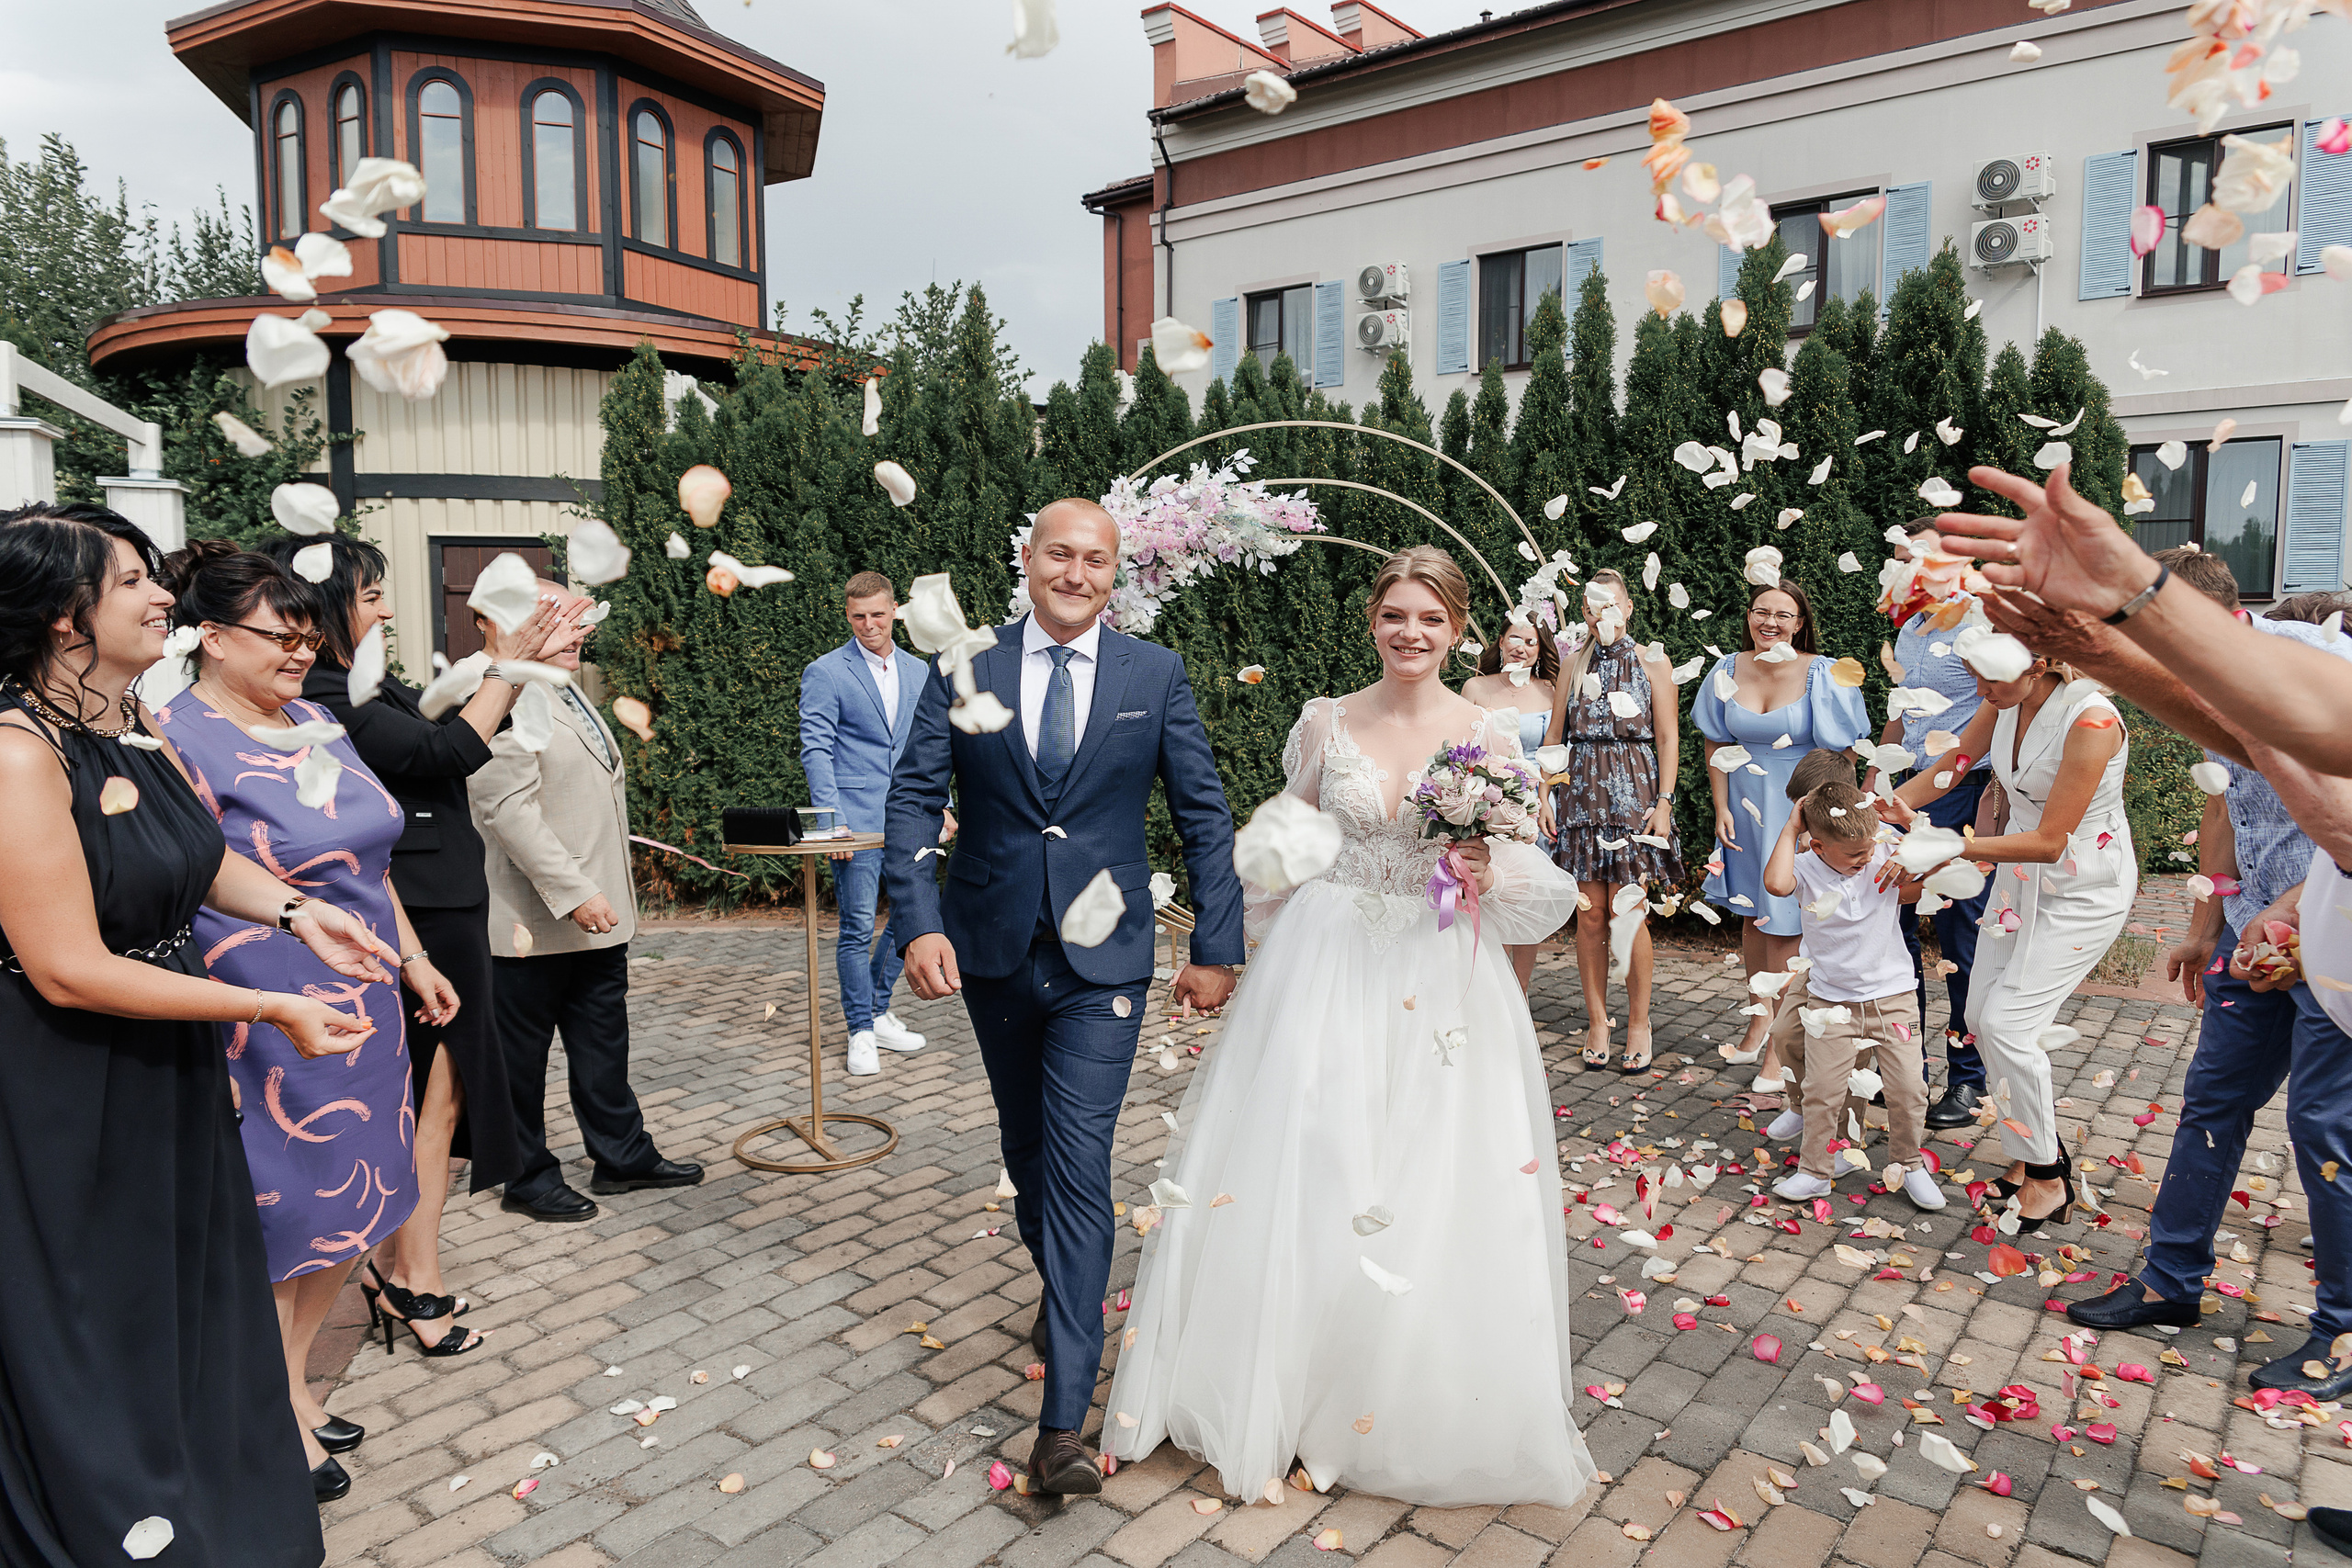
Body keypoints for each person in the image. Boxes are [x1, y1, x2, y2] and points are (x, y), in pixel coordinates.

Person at [1105, 546, 1595, 1507]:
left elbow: (1524, 864)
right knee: (1314, 1160)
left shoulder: (1489, 733)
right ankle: (1290, 1387)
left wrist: (1486, 869)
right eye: (1395, 615)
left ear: (1456, 629)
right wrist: (1218, 939)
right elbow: (1281, 844)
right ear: (1372, 620)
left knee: (1426, 1172)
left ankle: (1389, 1399)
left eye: (1431, 618)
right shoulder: (1326, 721)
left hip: (1437, 967)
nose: (1411, 633)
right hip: (1324, 961)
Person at [0, 502, 396, 1562]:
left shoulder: (131, 722)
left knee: (190, 1303)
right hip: (69, 1081)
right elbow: (67, 966)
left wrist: (300, 913)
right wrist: (265, 1005)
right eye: (131, 580)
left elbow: (200, 858)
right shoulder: (16, 755)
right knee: (103, 1320)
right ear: (64, 615)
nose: (160, 595)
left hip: (167, 1060)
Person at [885, 499, 1248, 1496]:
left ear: (1114, 572)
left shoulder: (1152, 674)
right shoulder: (965, 665)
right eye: (1059, 554)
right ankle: (1067, 1291)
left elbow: (1203, 814)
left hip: (1106, 961)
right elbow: (913, 797)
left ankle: (1062, 1431)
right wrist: (917, 922)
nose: (1076, 573)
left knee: (1080, 1162)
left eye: (1095, 559)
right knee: (1028, 1154)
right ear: (1028, 558)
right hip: (993, 948)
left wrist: (1217, 947)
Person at [152, 543, 474, 1491]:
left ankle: (288, 1385)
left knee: (355, 1198)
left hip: (363, 993)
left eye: (307, 637)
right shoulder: (173, 737)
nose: (301, 653)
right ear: (212, 638)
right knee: (283, 1212)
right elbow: (189, 878)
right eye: (280, 637)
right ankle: (262, 1409)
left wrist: (412, 958)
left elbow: (368, 863)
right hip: (263, 1006)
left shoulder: (316, 721)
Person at [267, 536, 550, 1345]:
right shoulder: (323, 690)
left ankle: (404, 1266)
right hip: (416, 908)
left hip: (438, 899)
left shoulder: (356, 680)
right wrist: (506, 664)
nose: (386, 609)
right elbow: (444, 751)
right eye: (370, 595)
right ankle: (411, 1278)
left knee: (445, 1092)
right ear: (324, 602)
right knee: (435, 1094)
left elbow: (439, 731)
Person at [1879, 635, 2132, 1234]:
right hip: (2019, 884)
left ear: (2039, 664)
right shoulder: (2005, 698)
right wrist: (1878, 808)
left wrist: (1950, 846)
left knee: (2008, 1024)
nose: (1979, 691)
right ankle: (2031, 1155)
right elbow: (1953, 767)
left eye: (1988, 680)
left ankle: (2048, 1175)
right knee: (1977, 1014)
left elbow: (2050, 840)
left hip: (2082, 887)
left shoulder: (2092, 720)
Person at [469, 581, 702, 1222]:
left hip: (597, 919)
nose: (583, 633)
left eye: (581, 622)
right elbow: (506, 810)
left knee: (603, 1047)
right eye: (566, 622)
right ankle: (525, 1176)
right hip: (533, 921)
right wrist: (575, 893)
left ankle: (622, 1157)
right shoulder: (499, 694)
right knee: (521, 1060)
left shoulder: (559, 686)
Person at [1692, 580, 1870, 1090]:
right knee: (1753, 918)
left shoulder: (1823, 672)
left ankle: (1781, 1050)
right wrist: (1721, 807)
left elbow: (1844, 754)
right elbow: (1714, 741)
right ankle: (1759, 1021)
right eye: (1760, 611)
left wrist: (1822, 820)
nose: (1769, 622)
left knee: (1787, 926)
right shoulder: (1726, 669)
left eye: (1782, 614)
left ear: (1800, 622)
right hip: (1745, 808)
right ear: (1748, 615)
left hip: (1797, 807)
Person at [1757, 770, 1945, 1210]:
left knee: (1909, 1090)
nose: (1866, 858)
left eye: (1869, 847)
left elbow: (1945, 858)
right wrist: (1792, 828)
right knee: (1823, 1092)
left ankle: (1909, 1165)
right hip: (1831, 1002)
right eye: (1855, 853)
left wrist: (1909, 825)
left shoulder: (1883, 853)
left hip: (1893, 998)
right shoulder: (1806, 869)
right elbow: (1776, 884)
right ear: (1819, 846)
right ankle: (1815, 1173)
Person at [1861, 529, 1995, 1129]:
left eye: (1916, 560)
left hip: (1961, 790)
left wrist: (1921, 791)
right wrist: (1874, 779)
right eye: (1898, 561)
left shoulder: (1981, 626)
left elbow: (1986, 726)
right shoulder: (1910, 629)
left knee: (1962, 938)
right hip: (1903, 791)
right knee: (1895, 928)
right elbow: (1901, 712)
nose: (1904, 571)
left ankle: (1969, 1081)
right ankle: (1905, 1067)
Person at [1538, 569, 1682, 1070]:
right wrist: (1543, 795)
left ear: (1628, 608)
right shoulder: (1572, 663)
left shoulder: (1653, 661)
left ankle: (1639, 1022)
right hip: (1580, 796)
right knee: (1591, 914)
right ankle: (1598, 1020)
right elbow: (1554, 737)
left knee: (1629, 912)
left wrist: (1664, 802)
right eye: (1593, 605)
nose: (1602, 612)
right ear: (1583, 612)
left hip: (1633, 795)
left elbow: (1668, 737)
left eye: (1612, 603)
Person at [798, 571, 935, 1077]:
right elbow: (816, 749)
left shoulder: (920, 671)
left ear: (895, 610)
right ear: (848, 615)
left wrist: (940, 805)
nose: (869, 624)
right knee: (856, 927)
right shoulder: (826, 671)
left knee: (912, 917)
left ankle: (877, 1010)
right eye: (859, 616)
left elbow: (930, 747)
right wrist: (831, 822)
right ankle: (860, 1030)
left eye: (878, 614)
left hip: (909, 818)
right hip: (853, 823)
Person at [1464, 612, 1560, 992]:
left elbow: (1554, 750)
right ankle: (1487, 987)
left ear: (1540, 649)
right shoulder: (1476, 687)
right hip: (1486, 798)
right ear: (1501, 642)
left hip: (1536, 803)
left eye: (1531, 641)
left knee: (1526, 895)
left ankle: (1518, 990)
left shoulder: (1550, 690)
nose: (1521, 647)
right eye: (1514, 638)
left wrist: (1545, 800)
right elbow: (1462, 749)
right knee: (1488, 892)